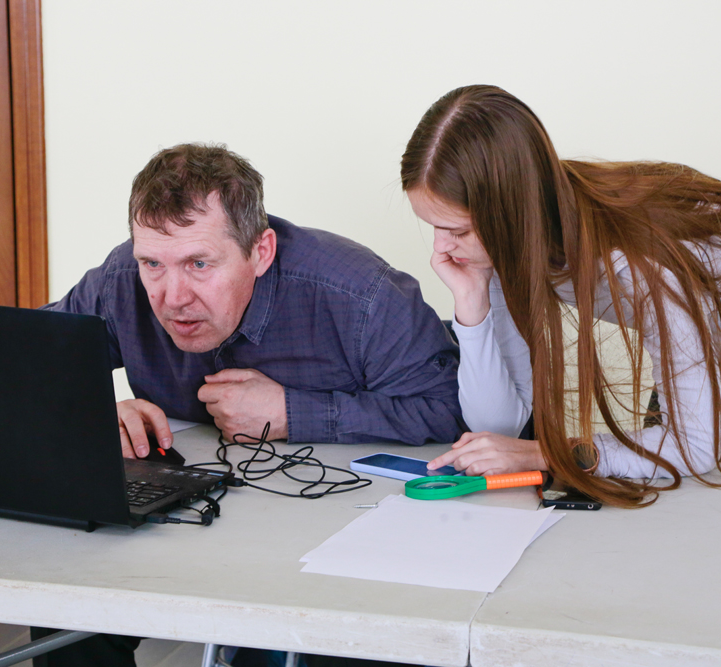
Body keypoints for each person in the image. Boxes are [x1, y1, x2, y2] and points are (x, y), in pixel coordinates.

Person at [33, 142, 462, 667]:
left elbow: (447, 407)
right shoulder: (120, 280)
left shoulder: (360, 295)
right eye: (153, 263)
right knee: (64, 599)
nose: (172, 296)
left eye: (199, 263)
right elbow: (20, 364)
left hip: (328, 535)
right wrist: (93, 407)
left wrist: (292, 413)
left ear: (261, 251)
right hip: (180, 518)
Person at [401, 84, 721, 508]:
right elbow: (500, 428)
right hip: (710, 332)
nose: (441, 248)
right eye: (433, 227)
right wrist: (472, 302)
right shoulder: (505, 245)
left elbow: (693, 447)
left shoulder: (635, 265)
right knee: (685, 502)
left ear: (511, 210)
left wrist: (546, 454)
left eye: (457, 230)